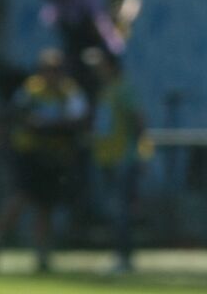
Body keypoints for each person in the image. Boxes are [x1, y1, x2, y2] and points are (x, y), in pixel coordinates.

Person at [0, 48, 89, 274]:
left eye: (56, 69)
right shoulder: (31, 90)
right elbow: (17, 115)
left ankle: (41, 254)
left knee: (45, 205)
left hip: (54, 155)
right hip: (29, 153)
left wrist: (49, 125)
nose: (52, 74)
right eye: (48, 69)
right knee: (20, 197)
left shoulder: (69, 92)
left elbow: (78, 119)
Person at [83, 47, 145, 273]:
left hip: (123, 158)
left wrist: (140, 154)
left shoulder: (122, 88)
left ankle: (124, 258)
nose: (96, 70)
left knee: (121, 210)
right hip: (106, 158)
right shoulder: (105, 90)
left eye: (99, 64)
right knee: (114, 209)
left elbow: (138, 121)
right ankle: (119, 256)